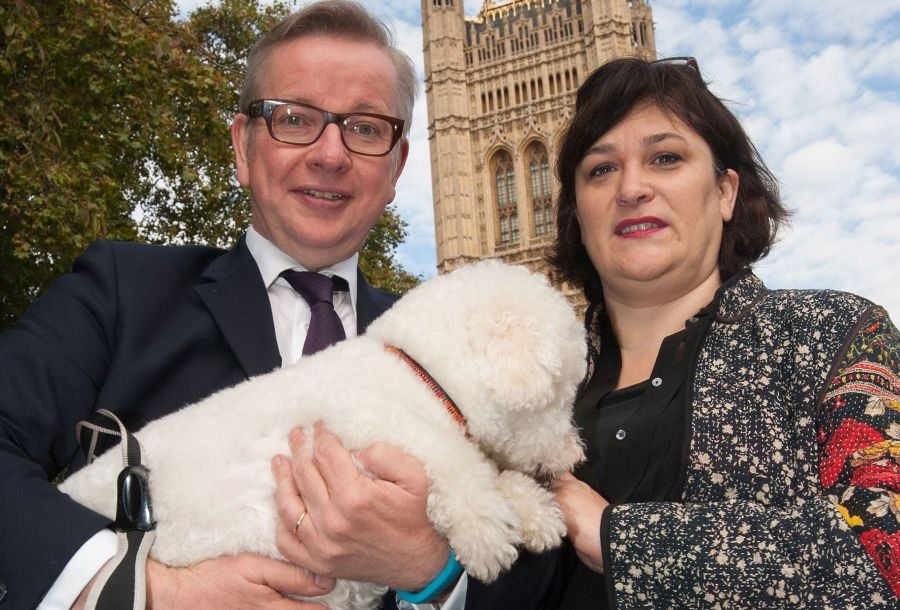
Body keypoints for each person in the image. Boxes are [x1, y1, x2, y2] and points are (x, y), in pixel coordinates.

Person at [0, 2, 461, 608]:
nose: (330, 153)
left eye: (366, 127)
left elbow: (539, 568)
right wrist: (146, 591)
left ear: (397, 165)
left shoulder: (442, 348)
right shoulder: (121, 292)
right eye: (294, 118)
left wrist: (433, 571)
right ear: (243, 146)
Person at [518, 55, 899, 608]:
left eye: (665, 158)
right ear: (578, 212)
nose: (631, 187)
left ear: (725, 192)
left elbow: (883, 553)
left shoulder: (833, 334)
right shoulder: (525, 383)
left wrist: (618, 539)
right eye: (601, 169)